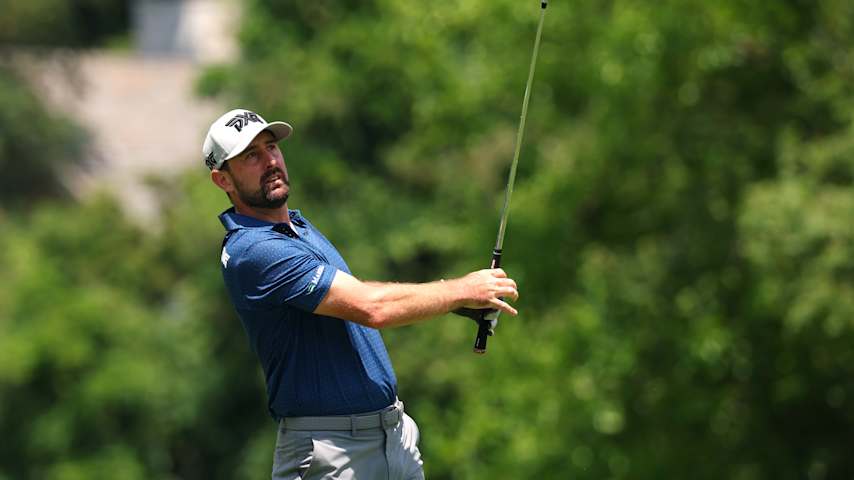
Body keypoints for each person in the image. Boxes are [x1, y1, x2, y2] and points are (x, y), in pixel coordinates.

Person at [203, 108, 519, 480]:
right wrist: (460, 289)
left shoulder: (295, 227)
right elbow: (371, 309)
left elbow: (353, 293)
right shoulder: (254, 250)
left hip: (392, 436)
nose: (270, 161)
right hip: (331, 453)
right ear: (223, 179)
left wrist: (450, 299)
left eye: (271, 147)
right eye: (251, 156)